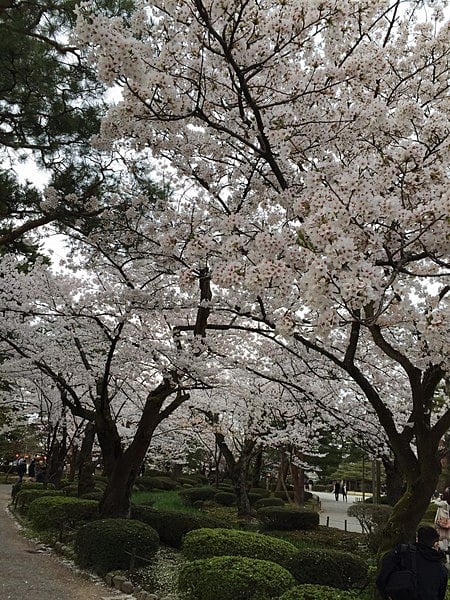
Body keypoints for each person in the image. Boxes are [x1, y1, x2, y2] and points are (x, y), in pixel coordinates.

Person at [376, 525, 448, 600]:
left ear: (417, 538)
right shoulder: (441, 568)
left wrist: (386, 595)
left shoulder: (402, 552)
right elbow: (440, 595)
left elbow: (382, 579)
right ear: (436, 543)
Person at [435, 488, 450, 560]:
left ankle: (444, 553)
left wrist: (439, 498)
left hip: (442, 522)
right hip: (448, 522)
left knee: (441, 537)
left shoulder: (443, 503)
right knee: (447, 537)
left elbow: (435, 502)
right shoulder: (447, 503)